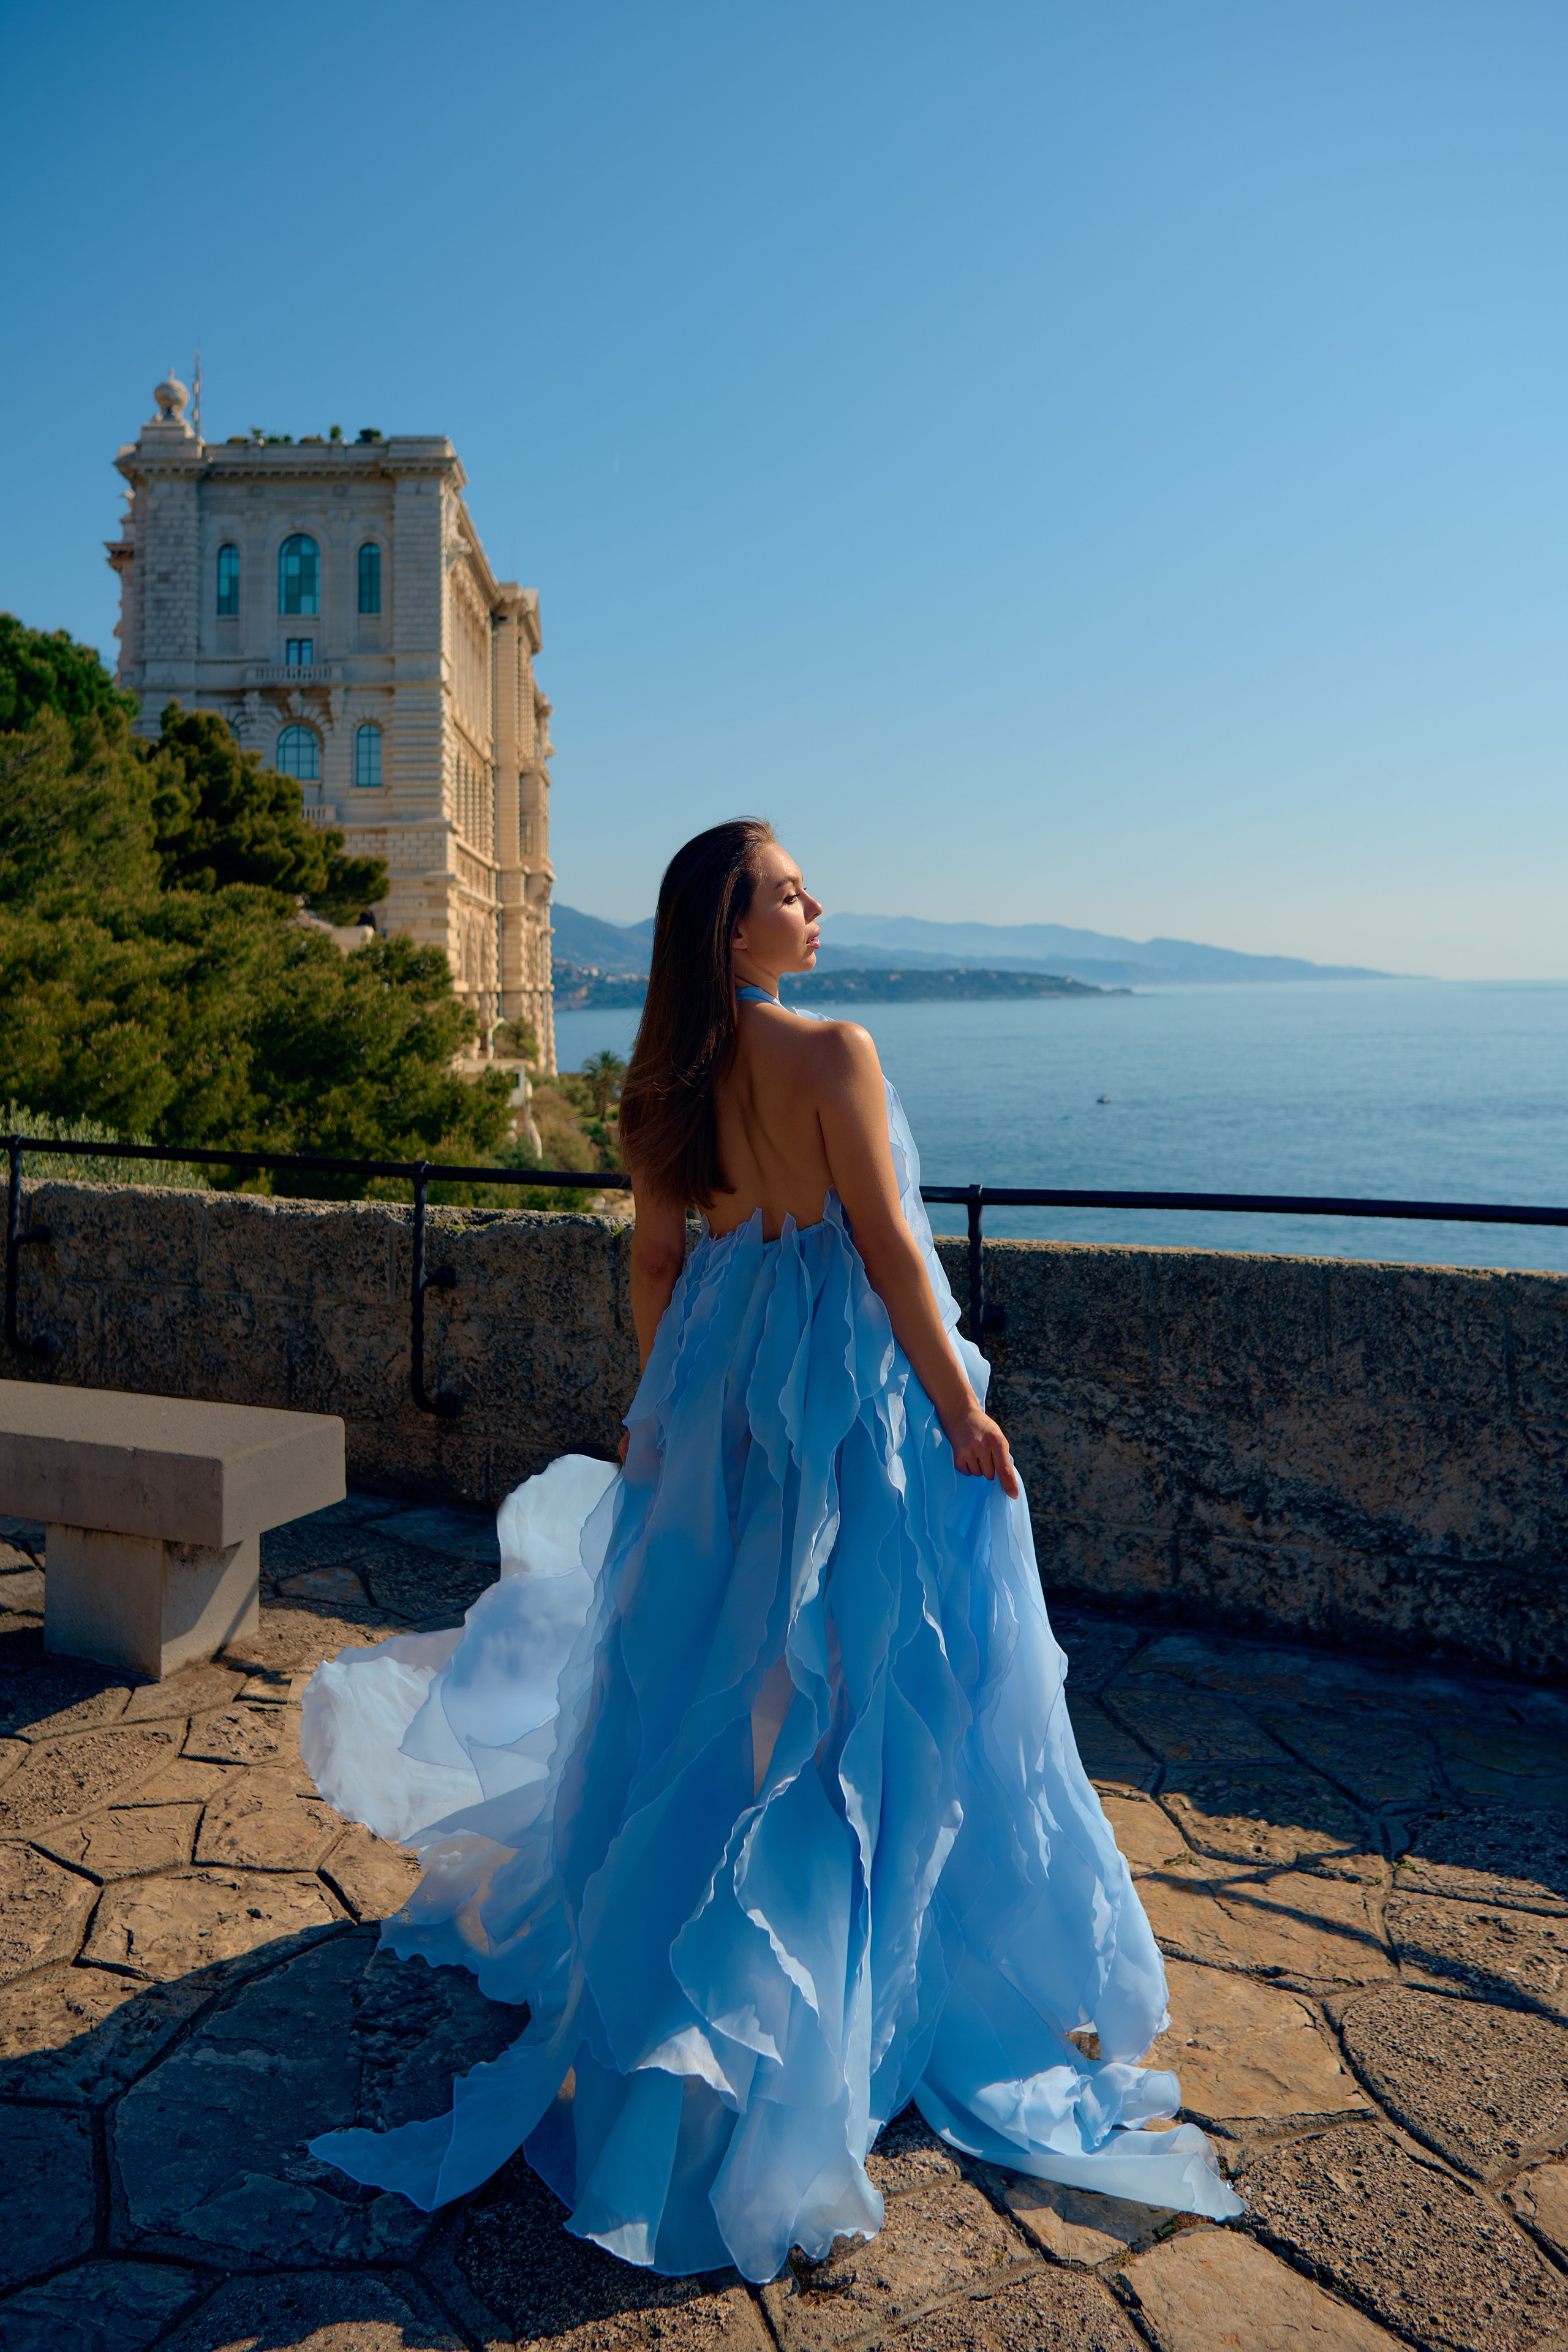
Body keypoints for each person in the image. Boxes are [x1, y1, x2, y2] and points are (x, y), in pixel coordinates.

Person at [300, 819, 1242, 2281]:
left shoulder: (660, 1084)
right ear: (732, 929)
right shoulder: (834, 1055)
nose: (816, 905)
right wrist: (960, 1417)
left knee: (718, 1673)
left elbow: (658, 1261)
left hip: (716, 1384)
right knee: (858, 1672)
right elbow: (885, 1251)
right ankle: (811, 1978)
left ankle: (707, 1956)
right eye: (788, 891)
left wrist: (660, 1410)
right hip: (843, 1395)